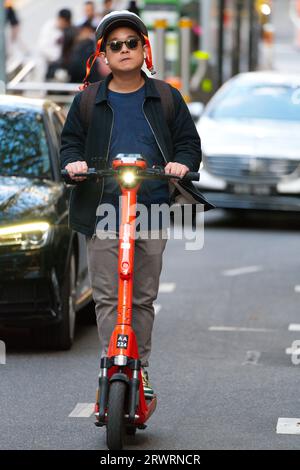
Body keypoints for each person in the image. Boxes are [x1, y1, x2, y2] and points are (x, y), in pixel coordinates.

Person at [60, 11, 204, 397]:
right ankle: (111, 366)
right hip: (103, 210)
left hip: (151, 208)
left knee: (142, 298)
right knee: (107, 297)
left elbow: (189, 143)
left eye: (131, 43)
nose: (124, 50)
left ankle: (140, 370)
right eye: (115, 45)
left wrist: (182, 164)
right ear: (103, 54)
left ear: (144, 48)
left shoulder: (168, 98)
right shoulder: (89, 100)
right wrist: (73, 164)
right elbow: (70, 143)